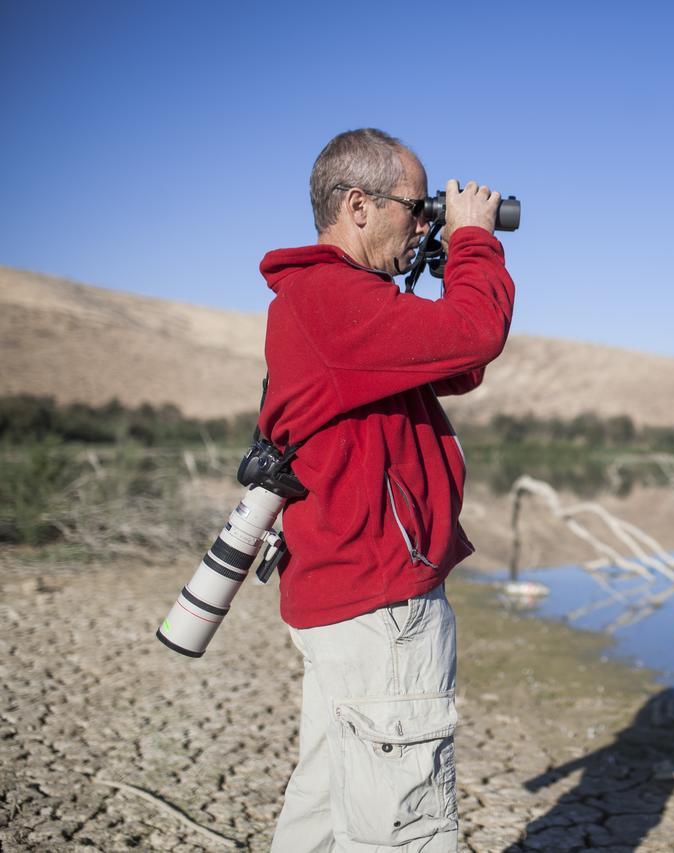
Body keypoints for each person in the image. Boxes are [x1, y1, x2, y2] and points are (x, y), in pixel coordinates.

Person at [256, 128, 515, 852]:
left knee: (328, 811)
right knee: (405, 829)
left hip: (348, 599)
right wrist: (472, 242)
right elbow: (477, 331)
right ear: (358, 205)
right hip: (379, 606)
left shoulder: (328, 302)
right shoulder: (330, 297)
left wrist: (440, 254)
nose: (425, 222)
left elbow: (457, 364)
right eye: (416, 208)